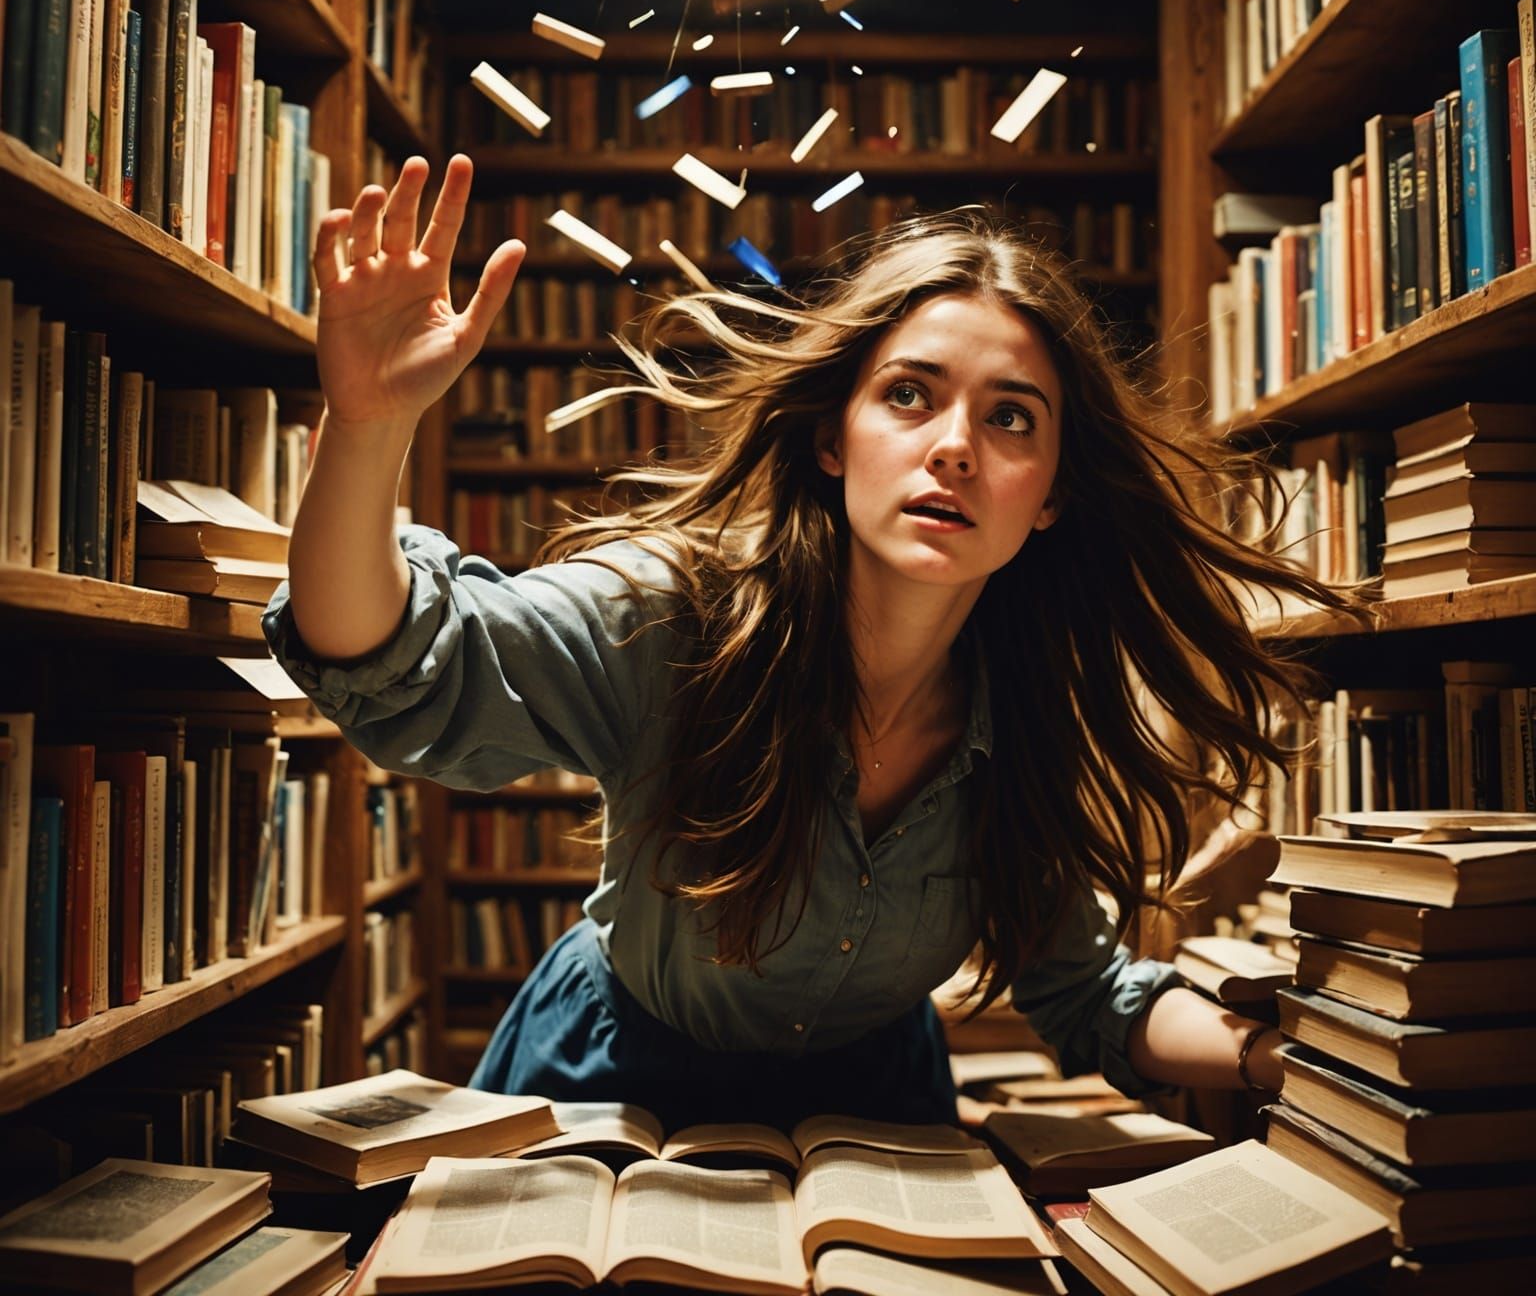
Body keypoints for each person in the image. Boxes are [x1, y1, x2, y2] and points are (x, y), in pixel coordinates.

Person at [265, 155, 1360, 1133]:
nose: (955, 449)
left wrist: (1282, 1055)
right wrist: (368, 426)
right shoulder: (675, 614)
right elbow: (394, 660)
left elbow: (1083, 994)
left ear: (1053, 496)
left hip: (873, 1115)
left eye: (1011, 417)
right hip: (606, 1089)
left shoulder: (1034, 712)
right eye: (909, 395)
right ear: (835, 438)